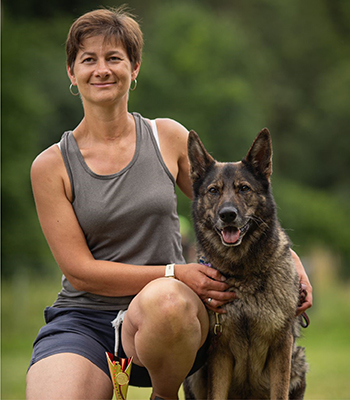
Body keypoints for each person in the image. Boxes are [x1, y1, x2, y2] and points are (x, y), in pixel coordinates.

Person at [26, 7, 312, 400]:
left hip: (171, 318)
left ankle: (165, 395)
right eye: (88, 60)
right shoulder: (50, 165)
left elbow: (232, 213)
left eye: (114, 58)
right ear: (72, 73)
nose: (102, 70)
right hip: (84, 319)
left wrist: (290, 262)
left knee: (167, 302)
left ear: (135, 67)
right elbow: (80, 273)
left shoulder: (167, 137)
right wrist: (177, 272)